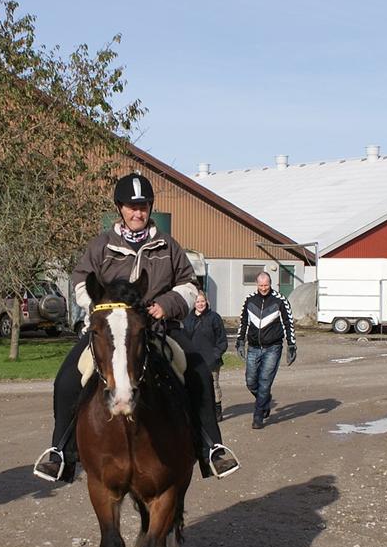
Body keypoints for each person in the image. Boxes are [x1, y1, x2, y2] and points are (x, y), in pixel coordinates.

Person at [33, 173, 240, 482]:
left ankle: (211, 448)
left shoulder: (167, 246)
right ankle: (62, 453)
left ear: (150, 208)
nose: (137, 213)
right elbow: (80, 282)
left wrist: (165, 306)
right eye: (131, 207)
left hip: (159, 327)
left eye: (143, 206)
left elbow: (188, 285)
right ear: (120, 208)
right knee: (66, 380)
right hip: (110, 329)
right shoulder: (102, 245)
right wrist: (100, 309)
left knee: (198, 372)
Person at [236, 271, 296, 429]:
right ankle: (264, 401)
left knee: (264, 382)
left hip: (273, 348)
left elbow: (288, 323)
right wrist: (240, 341)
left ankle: (258, 416)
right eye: (261, 285)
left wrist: (291, 344)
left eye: (266, 285)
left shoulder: (280, 300)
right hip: (253, 347)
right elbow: (243, 322)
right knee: (250, 382)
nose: (263, 288)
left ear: (271, 284)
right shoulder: (249, 300)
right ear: (257, 284)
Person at [182, 289, 228, 421]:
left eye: (202, 301)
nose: (200, 304)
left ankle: (217, 409)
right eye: (197, 301)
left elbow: (222, 341)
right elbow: (184, 339)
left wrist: (215, 355)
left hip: (211, 360)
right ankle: (199, 411)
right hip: (194, 361)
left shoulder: (214, 318)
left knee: (213, 385)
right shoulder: (187, 319)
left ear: (206, 302)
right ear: (194, 303)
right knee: (194, 386)